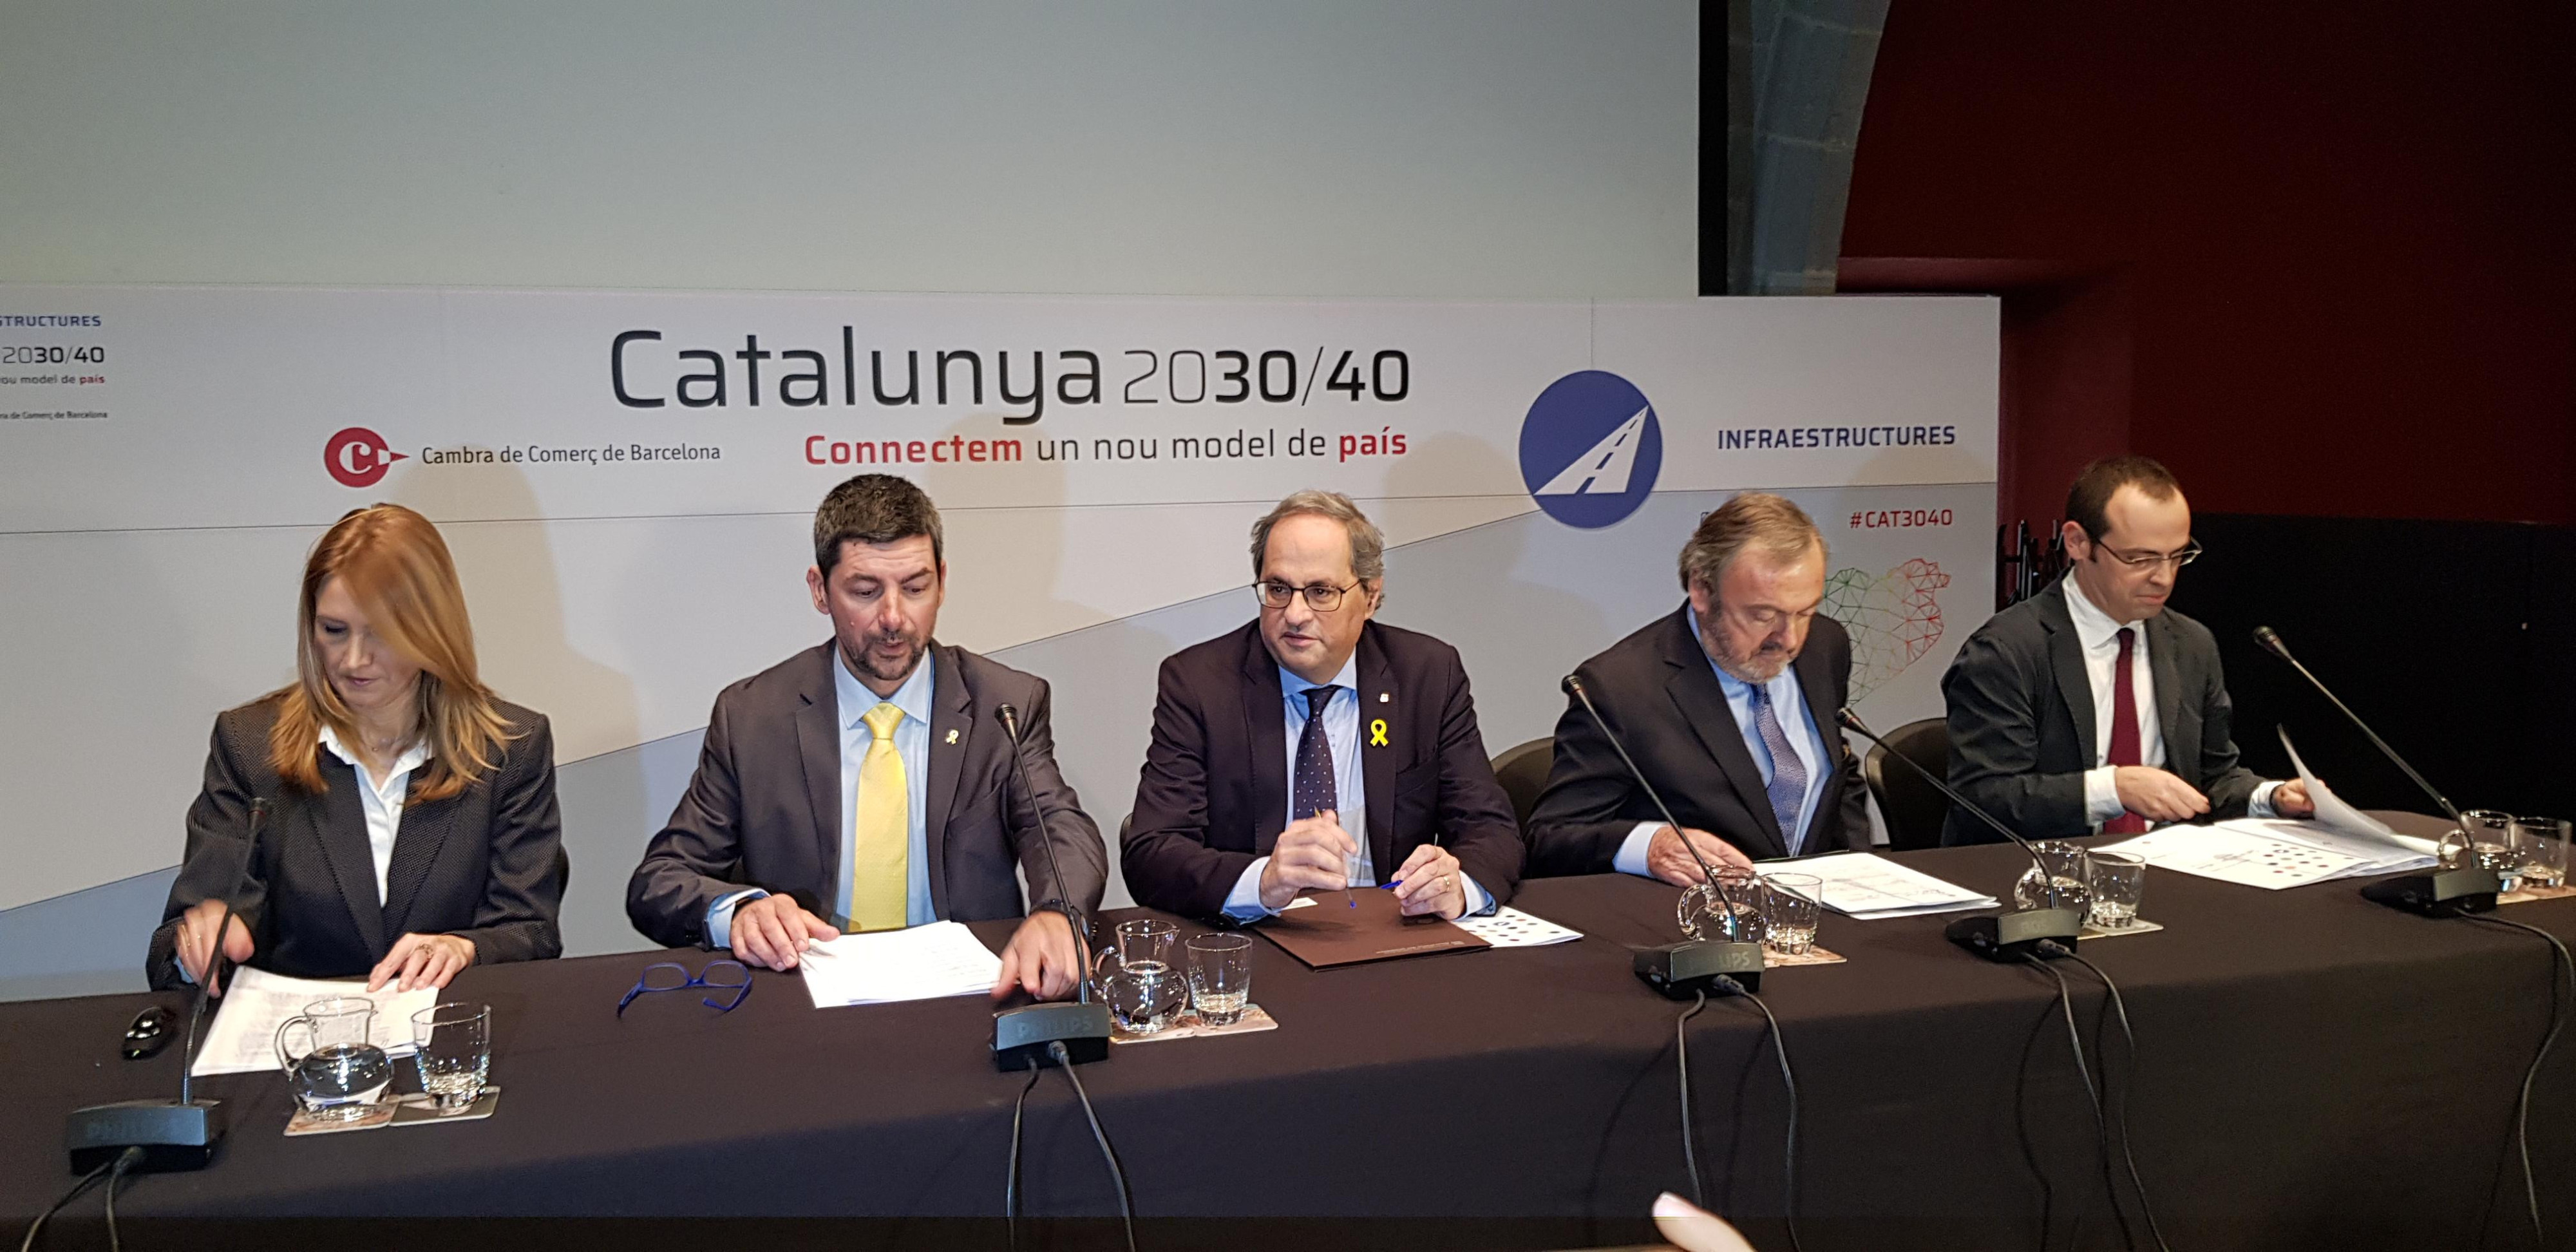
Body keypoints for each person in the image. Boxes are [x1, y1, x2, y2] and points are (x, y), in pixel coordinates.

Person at [627, 474, 1104, 1000]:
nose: (894, 618)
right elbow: (660, 880)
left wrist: (1060, 913)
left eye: (916, 588)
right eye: (865, 591)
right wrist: (739, 912)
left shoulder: (1004, 704)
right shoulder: (753, 716)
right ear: (819, 590)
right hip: (808, 1002)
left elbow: (1057, 826)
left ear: (942, 582)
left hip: (967, 999)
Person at [148, 504, 565, 995]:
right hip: (298, 1051)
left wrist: (463, 947)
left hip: (450, 1036)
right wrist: (205, 942)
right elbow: (178, 939)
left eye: (381, 633)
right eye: (334, 630)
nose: (353, 660)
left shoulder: (511, 748)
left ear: (432, 629)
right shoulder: (249, 744)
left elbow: (531, 931)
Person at [1123, 491, 1521, 921]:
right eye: (1278, 589)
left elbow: (1490, 829)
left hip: (1394, 934)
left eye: (1320, 592)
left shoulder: (1426, 675)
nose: (1295, 613)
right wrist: (1263, 882)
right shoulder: (1200, 684)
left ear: (1370, 597)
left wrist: (1455, 887)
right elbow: (1152, 851)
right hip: (1259, 940)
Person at [1941, 455, 2313, 845]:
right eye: (2140, 559)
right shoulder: (2006, 651)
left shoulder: (2190, 643)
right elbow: (1983, 800)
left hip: (2169, 868)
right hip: (2045, 874)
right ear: (2078, 543)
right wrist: (2114, 789)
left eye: (2178, 555)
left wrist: (2269, 797)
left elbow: (2211, 778)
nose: (2164, 578)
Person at [1525, 493, 1871, 882]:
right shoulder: (1620, 690)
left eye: (1806, 612)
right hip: (1693, 923)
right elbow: (1551, 838)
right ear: (1702, 590)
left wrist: (1860, 871)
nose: (1789, 640)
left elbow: (1837, 777)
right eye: (1762, 615)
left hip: (1821, 914)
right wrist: (1650, 846)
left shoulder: (1826, 646)